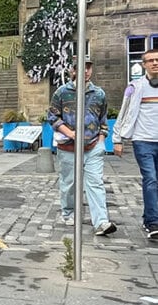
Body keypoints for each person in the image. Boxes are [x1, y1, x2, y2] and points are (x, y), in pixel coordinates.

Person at [48, 57, 117, 236]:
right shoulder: (62, 93)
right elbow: (53, 117)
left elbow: (103, 119)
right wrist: (70, 133)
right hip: (68, 147)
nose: (85, 71)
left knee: (95, 183)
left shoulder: (98, 93)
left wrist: (102, 139)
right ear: (72, 71)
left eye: (88, 68)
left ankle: (101, 221)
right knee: (69, 183)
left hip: (93, 145)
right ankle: (69, 212)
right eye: (80, 68)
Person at [112, 48, 158, 241]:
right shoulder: (134, 86)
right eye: (150, 60)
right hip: (143, 141)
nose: (155, 63)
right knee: (151, 179)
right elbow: (124, 112)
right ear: (144, 64)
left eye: (157, 60)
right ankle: (153, 222)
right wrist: (117, 139)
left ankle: (149, 217)